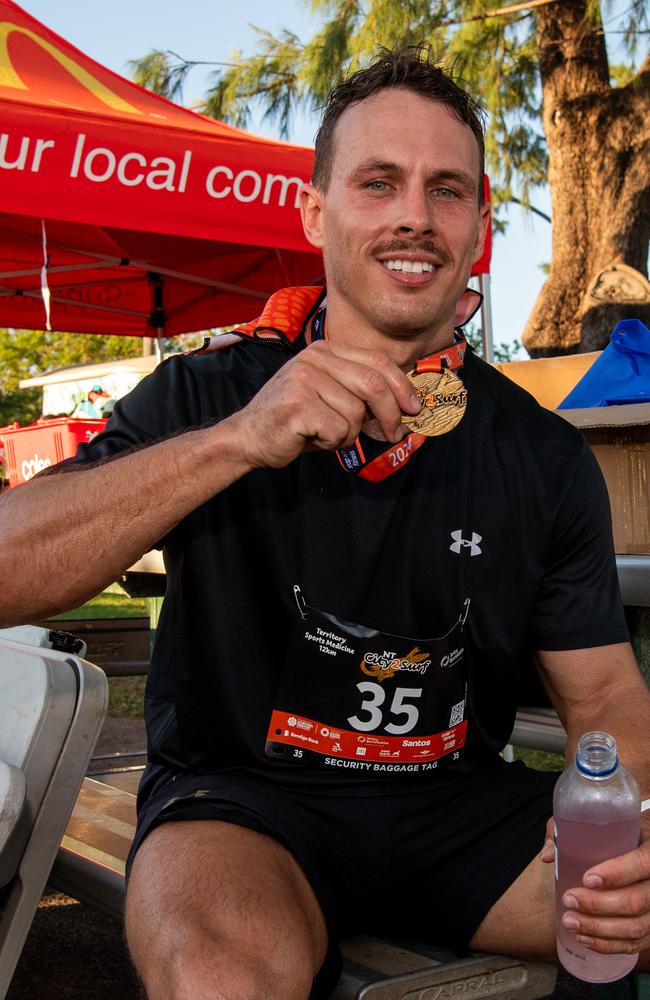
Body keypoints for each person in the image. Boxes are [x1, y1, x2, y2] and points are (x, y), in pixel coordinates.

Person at [1, 45, 650, 1000]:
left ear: (479, 230)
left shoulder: (542, 455)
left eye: (448, 191)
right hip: (242, 808)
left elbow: (604, 704)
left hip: (458, 813)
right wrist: (239, 441)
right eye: (377, 182)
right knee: (220, 976)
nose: (413, 217)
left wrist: (631, 822)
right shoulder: (208, 393)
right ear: (315, 211)